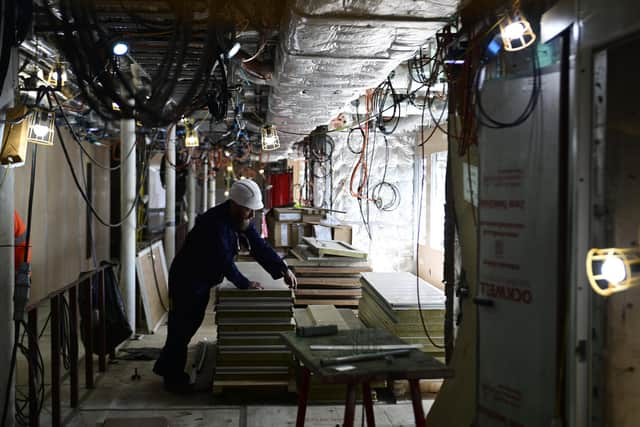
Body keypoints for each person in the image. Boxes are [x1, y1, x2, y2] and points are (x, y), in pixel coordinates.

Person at [153, 178, 297, 392]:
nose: (252, 215)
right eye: (249, 210)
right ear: (236, 205)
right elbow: (224, 261)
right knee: (183, 326)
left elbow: (258, 245)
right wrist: (245, 284)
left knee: (190, 324)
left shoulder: (238, 219)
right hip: (187, 279)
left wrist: (282, 268)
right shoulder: (214, 224)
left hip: (201, 278)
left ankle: (166, 367)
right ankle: (172, 379)